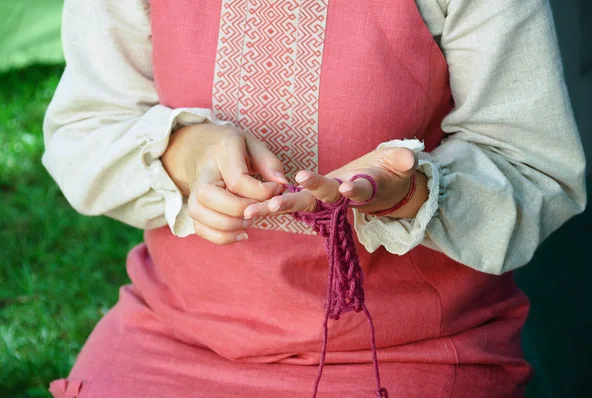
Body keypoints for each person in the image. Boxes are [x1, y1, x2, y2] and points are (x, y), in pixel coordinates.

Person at [43, 0, 587, 397]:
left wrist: (409, 192)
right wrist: (183, 153)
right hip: (175, 331)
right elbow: (85, 128)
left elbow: (531, 165)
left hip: (401, 349)